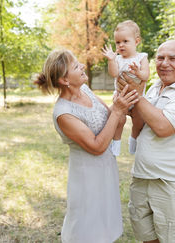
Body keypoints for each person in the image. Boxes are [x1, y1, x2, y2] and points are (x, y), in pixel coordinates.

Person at [35, 49, 139, 243]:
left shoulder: (86, 90)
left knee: (104, 222)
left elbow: (111, 118)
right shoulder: (64, 113)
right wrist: (117, 111)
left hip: (106, 169)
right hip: (86, 177)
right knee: (86, 226)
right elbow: (96, 146)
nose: (82, 66)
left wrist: (120, 105)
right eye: (76, 66)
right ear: (65, 80)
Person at [117, 40, 175, 243]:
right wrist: (130, 97)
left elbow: (163, 127)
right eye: (160, 58)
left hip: (173, 184)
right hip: (142, 179)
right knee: (148, 240)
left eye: (172, 58)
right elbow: (141, 123)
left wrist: (138, 96)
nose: (164, 63)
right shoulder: (154, 88)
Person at [102, 20, 150, 156]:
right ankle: (116, 142)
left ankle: (134, 139)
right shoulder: (117, 59)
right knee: (119, 119)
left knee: (138, 120)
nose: (121, 45)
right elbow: (114, 73)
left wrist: (138, 72)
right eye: (117, 42)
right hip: (121, 96)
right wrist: (111, 60)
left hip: (136, 97)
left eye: (125, 41)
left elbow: (146, 76)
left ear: (137, 41)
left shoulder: (141, 57)